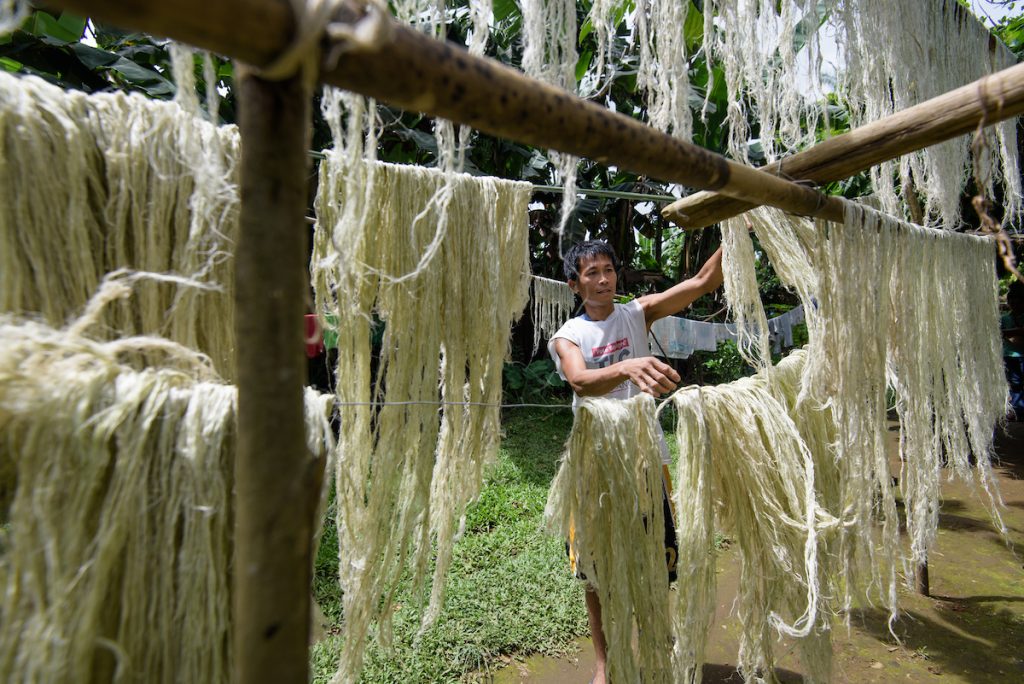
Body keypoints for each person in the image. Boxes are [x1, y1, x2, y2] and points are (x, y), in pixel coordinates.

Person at [547, 239, 724, 684]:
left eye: (608, 269)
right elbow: (581, 381)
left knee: (655, 560)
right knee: (596, 571)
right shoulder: (569, 336)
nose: (603, 279)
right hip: (595, 468)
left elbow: (704, 281)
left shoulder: (636, 313)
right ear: (574, 284)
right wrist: (628, 368)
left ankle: (654, 649)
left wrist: (742, 220)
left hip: (646, 461)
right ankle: (606, 665)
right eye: (592, 273)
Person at [1003, 279, 1024, 420]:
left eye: (1018, 301)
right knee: (1014, 384)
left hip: (1021, 355)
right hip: (1010, 356)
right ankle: (1017, 411)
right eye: (1012, 301)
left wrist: (1008, 333)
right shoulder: (1005, 318)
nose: (1014, 304)